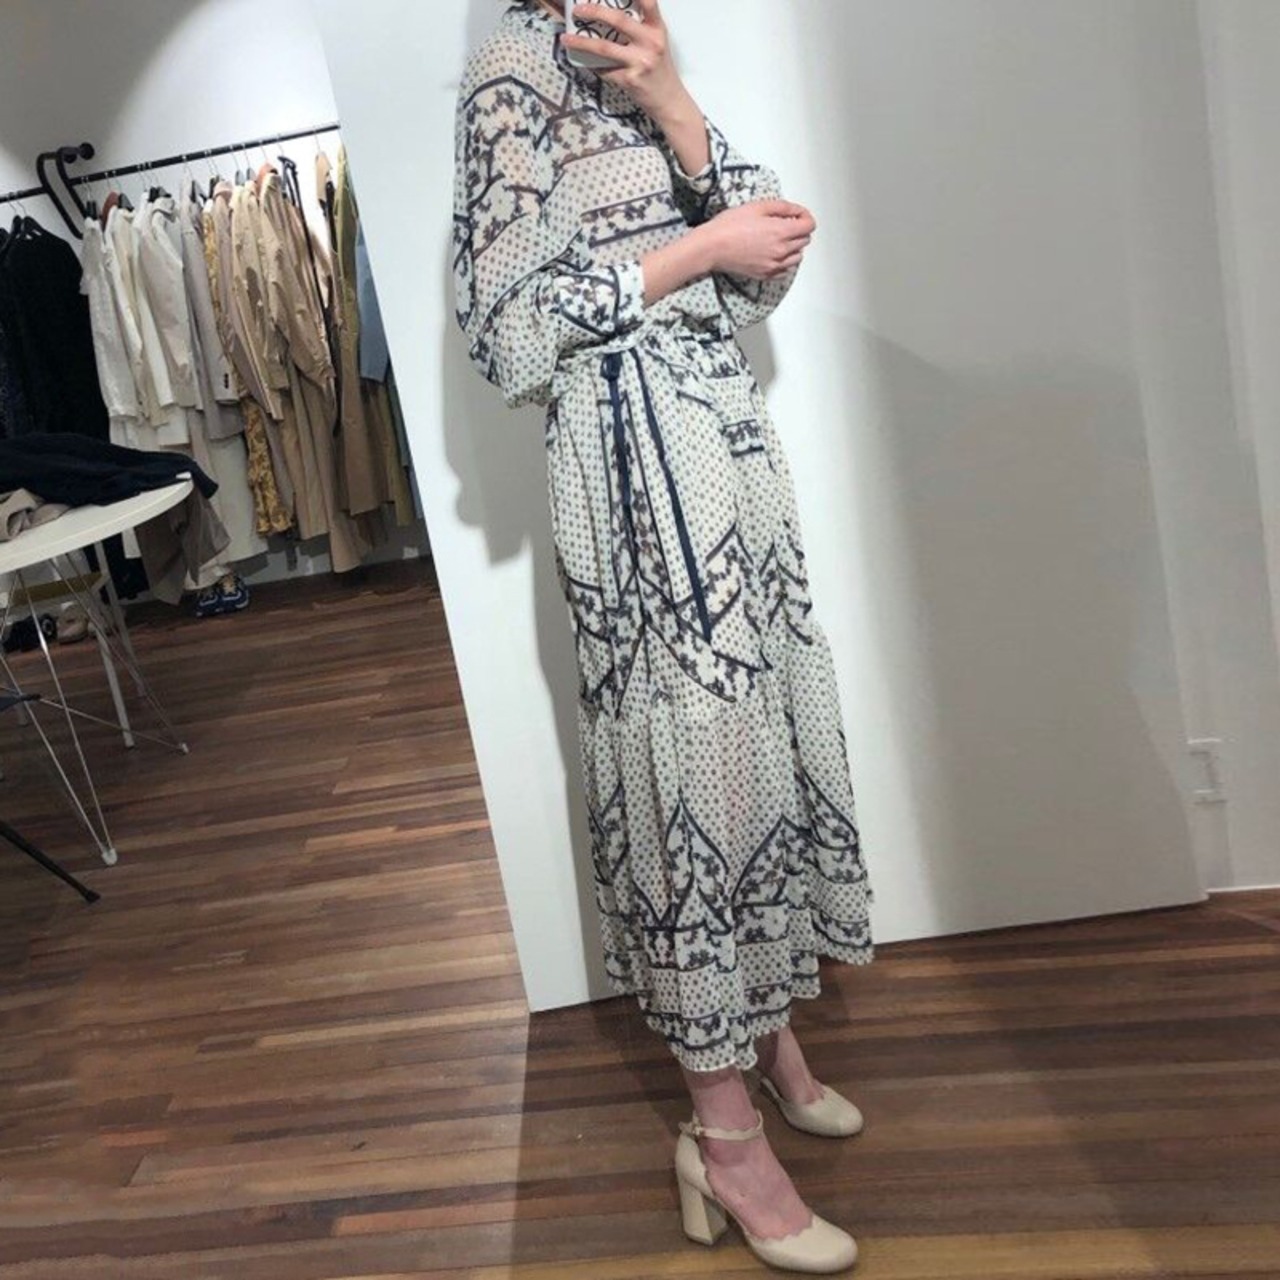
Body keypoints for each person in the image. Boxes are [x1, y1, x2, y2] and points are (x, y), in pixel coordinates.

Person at [452, 0, 875, 1270]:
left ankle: (768, 1034)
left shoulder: (640, 53)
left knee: (759, 759)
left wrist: (676, 107)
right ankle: (723, 1135)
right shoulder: (510, 69)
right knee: (691, 776)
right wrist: (696, 253)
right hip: (631, 473)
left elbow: (770, 270)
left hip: (726, 451)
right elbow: (506, 333)